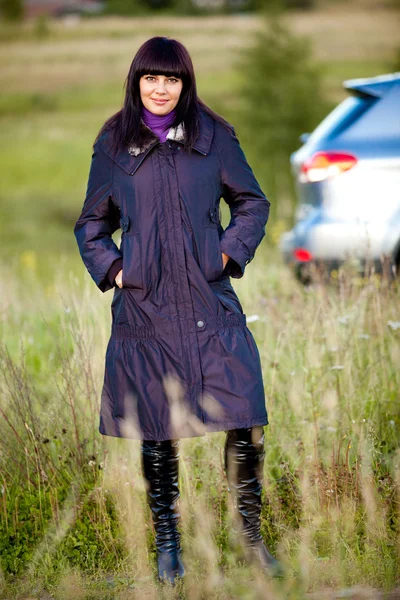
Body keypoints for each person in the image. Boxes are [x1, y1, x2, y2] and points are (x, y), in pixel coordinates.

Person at [74, 36, 284, 585]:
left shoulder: (214, 137)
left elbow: (252, 203)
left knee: (245, 416)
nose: (161, 88)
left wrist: (225, 253)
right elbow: (91, 224)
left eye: (172, 78)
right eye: (151, 78)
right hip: (145, 311)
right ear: (136, 81)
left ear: (186, 83)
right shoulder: (114, 143)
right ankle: (168, 544)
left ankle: (250, 538)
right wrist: (120, 271)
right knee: (156, 430)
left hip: (209, 304)